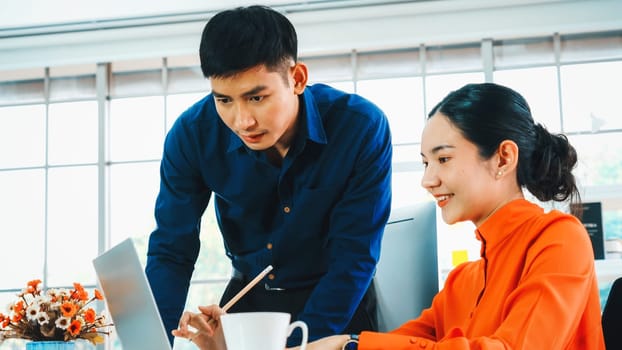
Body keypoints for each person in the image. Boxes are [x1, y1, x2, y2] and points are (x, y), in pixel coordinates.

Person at [173, 82, 606, 350]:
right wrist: (227, 347)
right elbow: (392, 343)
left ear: (503, 157)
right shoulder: (463, 282)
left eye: (443, 159)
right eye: (424, 163)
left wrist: (350, 346)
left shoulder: (559, 239)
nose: (428, 180)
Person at [145, 4, 392, 347]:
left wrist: (299, 345)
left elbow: (353, 257)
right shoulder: (192, 135)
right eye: (224, 100)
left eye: (256, 97)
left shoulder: (360, 127)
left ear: (297, 78)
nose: (242, 120)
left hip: (337, 303)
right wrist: (151, 343)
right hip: (250, 307)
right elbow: (172, 251)